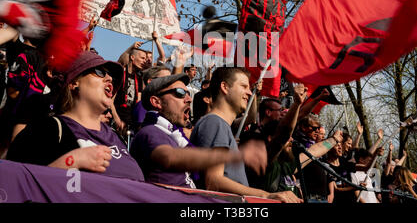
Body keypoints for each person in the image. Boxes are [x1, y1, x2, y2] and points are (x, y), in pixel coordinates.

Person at [7, 51, 144, 181]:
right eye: (99, 72)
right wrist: (73, 160)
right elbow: (16, 182)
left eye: (111, 77)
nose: (109, 79)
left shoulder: (116, 136)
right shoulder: (48, 129)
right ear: (73, 83)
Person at [130, 73, 268, 189]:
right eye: (180, 93)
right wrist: (237, 155)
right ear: (156, 102)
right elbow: (169, 157)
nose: (189, 99)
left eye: (188, 93)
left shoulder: (174, 137)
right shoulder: (150, 131)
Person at [190, 67, 301, 203]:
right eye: (244, 86)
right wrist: (266, 195)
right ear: (225, 87)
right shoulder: (214, 122)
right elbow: (213, 181)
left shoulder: (220, 125)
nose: (249, 92)